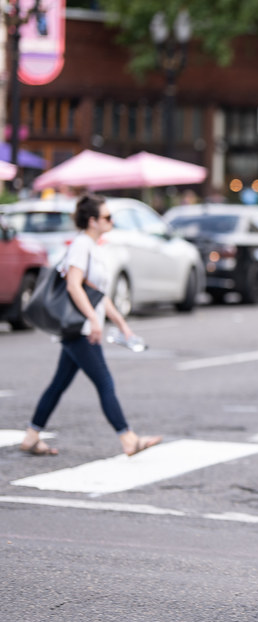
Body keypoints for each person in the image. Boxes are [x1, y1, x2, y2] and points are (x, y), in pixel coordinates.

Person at [19, 194, 162, 457]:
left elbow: (97, 293)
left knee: (59, 383)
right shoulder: (82, 245)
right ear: (93, 221)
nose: (111, 221)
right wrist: (94, 320)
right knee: (105, 383)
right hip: (79, 328)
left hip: (80, 326)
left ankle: (31, 435)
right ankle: (128, 438)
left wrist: (120, 324)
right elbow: (74, 285)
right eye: (107, 217)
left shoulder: (94, 247)